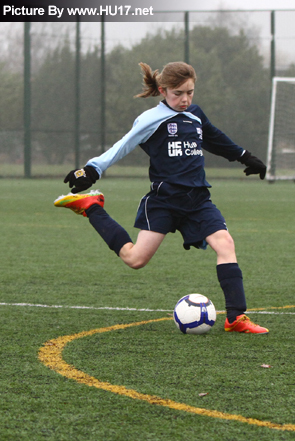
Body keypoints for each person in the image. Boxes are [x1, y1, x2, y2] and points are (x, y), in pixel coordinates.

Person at [54, 61, 269, 333]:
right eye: (178, 93)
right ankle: (92, 207)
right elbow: (122, 146)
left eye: (190, 92)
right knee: (135, 260)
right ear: (162, 90)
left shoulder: (194, 113)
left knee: (225, 244)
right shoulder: (150, 119)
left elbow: (214, 138)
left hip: (198, 200)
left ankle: (235, 317)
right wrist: (92, 170)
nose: (185, 99)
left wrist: (245, 157)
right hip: (164, 201)